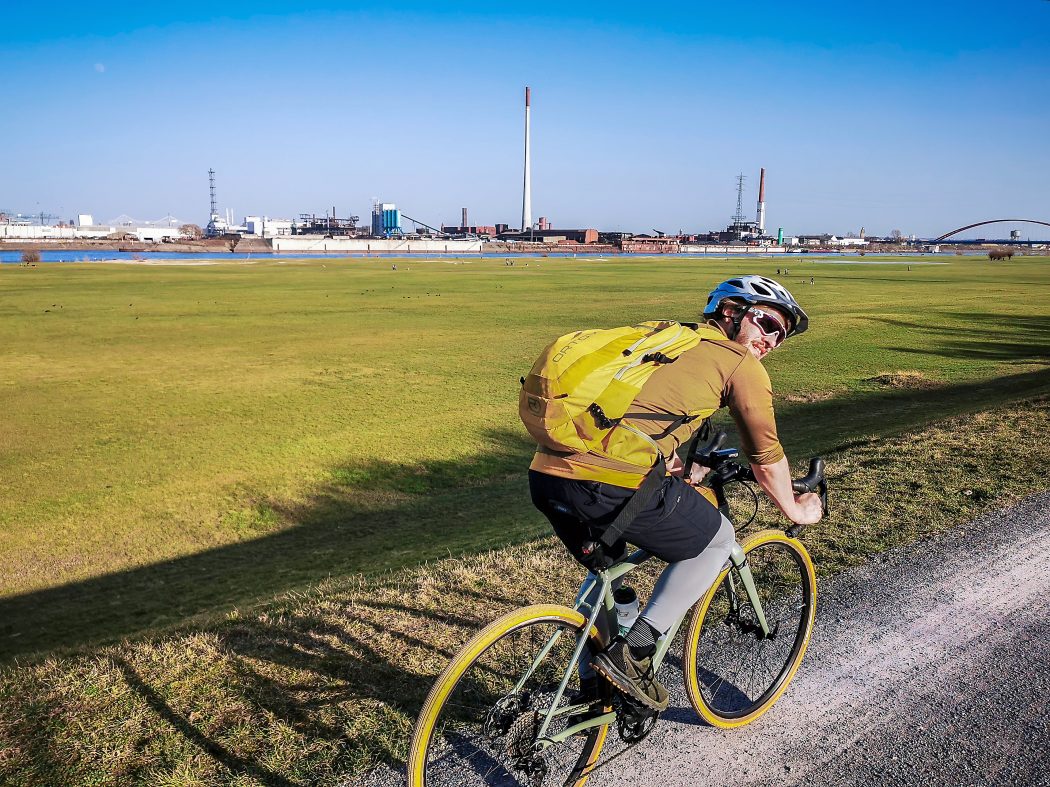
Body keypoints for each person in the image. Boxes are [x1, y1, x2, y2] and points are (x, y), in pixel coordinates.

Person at [528, 275, 823, 712]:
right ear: (730, 312)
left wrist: (664, 460)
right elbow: (765, 456)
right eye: (766, 323)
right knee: (718, 540)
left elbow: (629, 408)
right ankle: (635, 654)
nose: (772, 340)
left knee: (609, 580)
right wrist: (796, 509)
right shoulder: (740, 364)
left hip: (549, 475)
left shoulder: (667, 338)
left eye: (780, 334)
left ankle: (595, 686)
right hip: (610, 482)